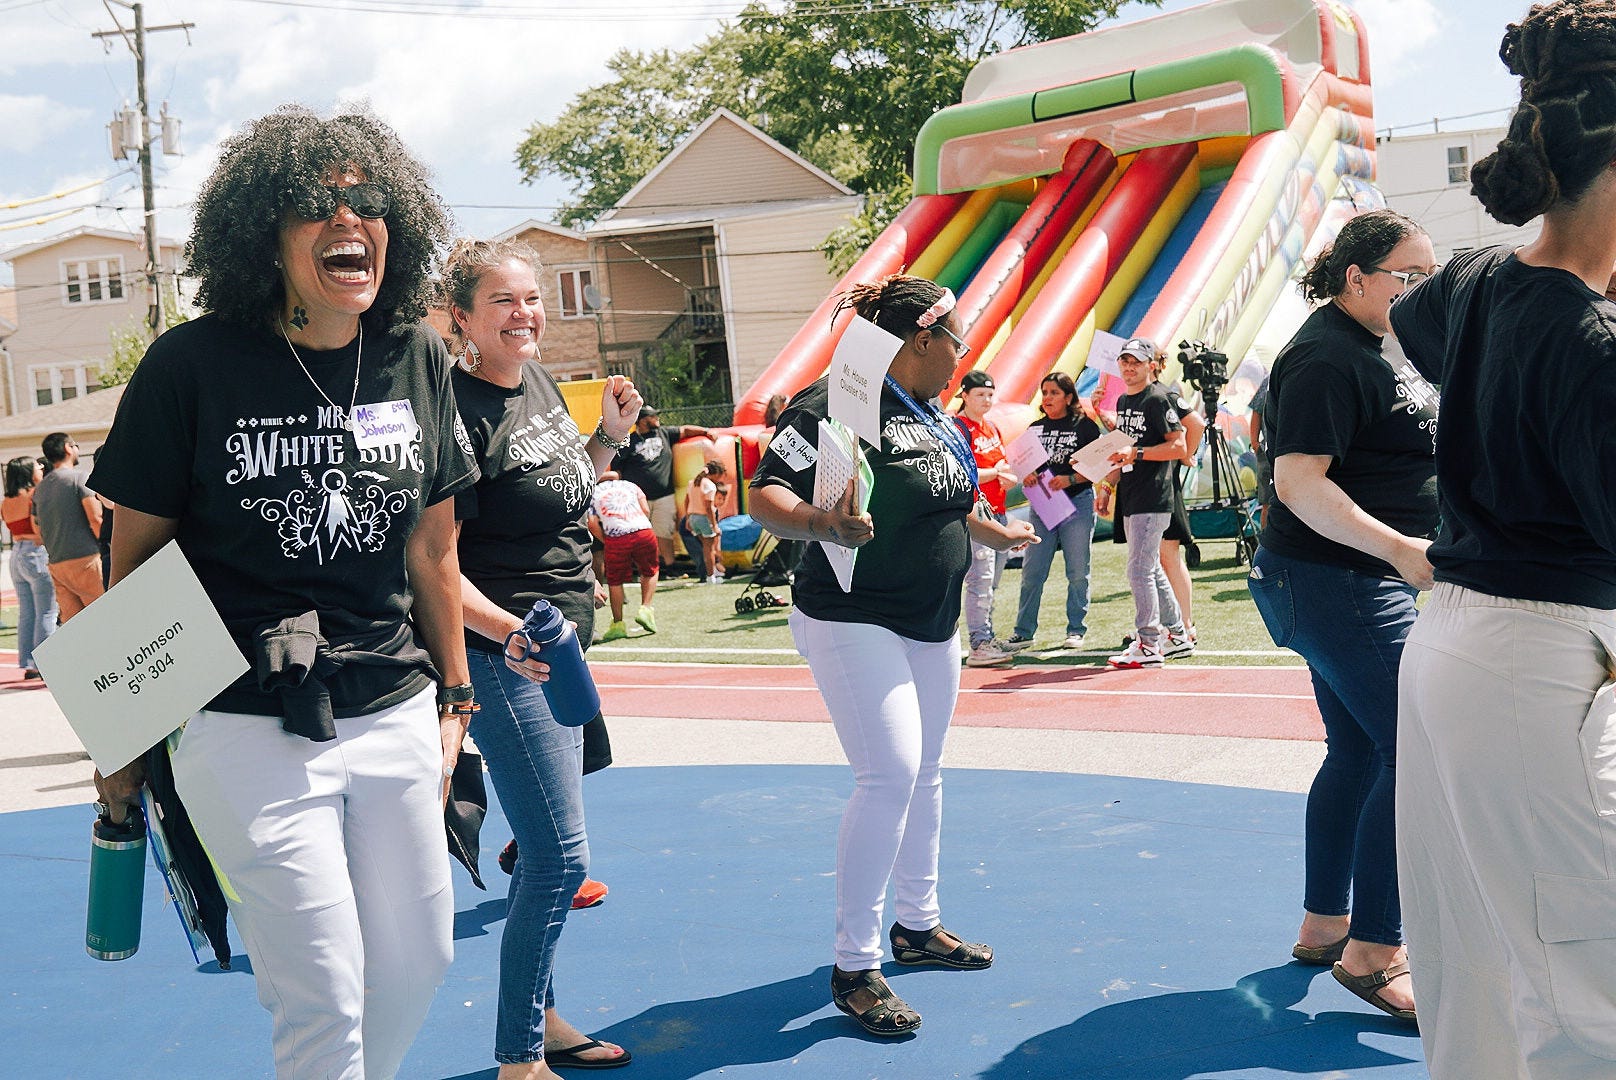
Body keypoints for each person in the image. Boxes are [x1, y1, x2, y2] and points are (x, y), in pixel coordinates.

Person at [89, 105, 478, 1080]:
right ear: (263, 233)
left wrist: (457, 703)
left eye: (370, 202)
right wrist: (122, 750)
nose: (351, 222)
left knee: (419, 961)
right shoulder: (191, 366)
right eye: (318, 205)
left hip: (392, 708)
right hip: (243, 722)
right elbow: (129, 564)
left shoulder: (414, 354)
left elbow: (435, 548)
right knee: (321, 988)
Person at [1389, 3, 1616, 1071]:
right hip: (1540, 664)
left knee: (1468, 970)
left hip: (1448, 644)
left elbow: (1409, 321)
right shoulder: (1590, 342)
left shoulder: (1476, 280)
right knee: (1580, 994)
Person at [749, 273, 1036, 1038]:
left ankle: (918, 924)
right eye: (958, 341)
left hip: (930, 620)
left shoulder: (931, 410)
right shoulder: (835, 402)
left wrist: (991, 532)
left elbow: (942, 498)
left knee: (928, 775)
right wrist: (820, 521)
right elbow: (764, 495)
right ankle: (855, 964)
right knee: (892, 775)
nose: (963, 356)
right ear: (921, 340)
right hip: (851, 615)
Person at [442, 236, 637, 1077]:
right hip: (504, 655)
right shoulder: (451, 412)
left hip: (563, 641)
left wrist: (609, 441)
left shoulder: (543, 384)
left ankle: (545, 1019)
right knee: (561, 857)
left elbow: (563, 490)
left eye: (532, 298)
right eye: (503, 302)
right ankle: (520, 1058)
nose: (526, 313)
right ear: (460, 321)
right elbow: (436, 570)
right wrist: (508, 638)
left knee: (544, 850)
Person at [1245, 207, 1437, 1025]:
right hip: (1340, 583)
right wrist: (1399, 549)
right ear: (1356, 277)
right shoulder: (1327, 354)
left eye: (1428, 276)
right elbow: (1298, 481)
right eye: (1408, 275)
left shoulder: (1367, 346)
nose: (1419, 289)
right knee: (1415, 749)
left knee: (1358, 751)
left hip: (1334, 581)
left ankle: (1327, 926)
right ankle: (1373, 951)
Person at [1097, 339, 1190, 667]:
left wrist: (1137, 454)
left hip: (1153, 495)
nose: (1128, 367)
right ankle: (1177, 633)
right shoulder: (1124, 400)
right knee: (1147, 567)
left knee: (1139, 570)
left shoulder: (1157, 398)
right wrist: (1108, 483)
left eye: (1135, 361)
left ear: (1151, 364)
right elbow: (1123, 444)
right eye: (1124, 361)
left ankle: (1149, 643)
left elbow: (1179, 446)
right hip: (1133, 494)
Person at [1006, 372, 1103, 653]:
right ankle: (1023, 632)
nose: (1047, 398)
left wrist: (1070, 480)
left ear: (1069, 397)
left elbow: (1097, 467)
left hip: (1077, 504)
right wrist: (1029, 475)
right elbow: (1025, 466)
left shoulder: (1085, 427)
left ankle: (1076, 629)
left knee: (1077, 571)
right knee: (1033, 571)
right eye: (1044, 392)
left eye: (1054, 393)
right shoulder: (1035, 428)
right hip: (1043, 506)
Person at [951, 370, 1020, 666]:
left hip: (998, 511)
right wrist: (996, 473)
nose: (986, 400)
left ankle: (985, 636)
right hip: (976, 514)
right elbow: (961, 471)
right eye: (980, 394)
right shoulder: (958, 427)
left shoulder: (991, 427)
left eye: (990, 394)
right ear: (964, 395)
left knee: (990, 581)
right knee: (980, 578)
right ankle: (978, 644)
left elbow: (1000, 461)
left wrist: (1005, 473)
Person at [614, 405, 711, 569]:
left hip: (663, 495)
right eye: (653, 416)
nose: (657, 419)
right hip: (636, 498)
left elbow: (685, 430)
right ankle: (642, 567)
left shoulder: (664, 433)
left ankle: (669, 566)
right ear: (643, 420)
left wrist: (706, 431)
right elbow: (617, 468)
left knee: (663, 532)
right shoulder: (628, 442)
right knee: (638, 533)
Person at [30, 432, 104, 622]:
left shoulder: (40, 489)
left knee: (74, 625)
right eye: (75, 445)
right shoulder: (79, 478)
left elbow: (37, 528)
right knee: (105, 617)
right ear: (67, 448)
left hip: (57, 563)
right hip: (86, 559)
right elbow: (95, 518)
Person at [589, 470, 659, 641]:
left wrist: (605, 539)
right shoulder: (631, 485)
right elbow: (645, 510)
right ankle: (646, 608)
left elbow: (591, 523)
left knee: (615, 581)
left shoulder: (593, 493)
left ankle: (618, 623)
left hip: (615, 535)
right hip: (643, 530)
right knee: (650, 571)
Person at [3, 456, 56, 679]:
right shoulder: (35, 495)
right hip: (36, 552)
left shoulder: (6, 501)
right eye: (37, 466)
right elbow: (38, 531)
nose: (41, 468)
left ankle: (28, 662)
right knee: (47, 610)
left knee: (27, 612)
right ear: (27, 473)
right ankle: (46, 663)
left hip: (17, 555)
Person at [683, 459, 727, 584]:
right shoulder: (709, 485)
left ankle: (711, 573)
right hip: (703, 518)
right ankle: (711, 577)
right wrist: (715, 525)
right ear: (716, 473)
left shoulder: (692, 483)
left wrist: (687, 519)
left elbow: (686, 502)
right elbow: (708, 508)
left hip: (693, 518)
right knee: (709, 549)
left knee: (706, 548)